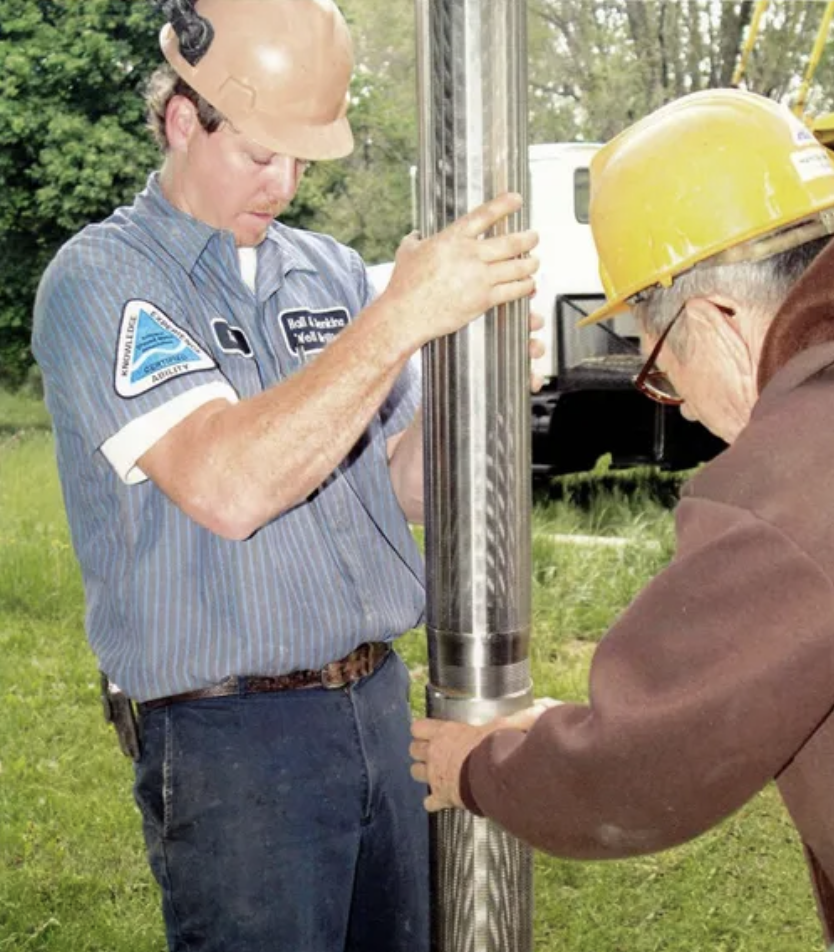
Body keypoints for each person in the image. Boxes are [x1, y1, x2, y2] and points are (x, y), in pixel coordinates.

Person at [30, 0, 539, 949]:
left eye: (303, 159)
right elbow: (230, 487)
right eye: (263, 152)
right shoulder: (104, 280)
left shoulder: (329, 272)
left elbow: (395, 488)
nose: (286, 182)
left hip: (380, 710)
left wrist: (480, 384)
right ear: (185, 119)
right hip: (236, 748)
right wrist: (395, 321)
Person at [410, 86, 834, 947]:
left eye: (660, 360)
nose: (670, 397)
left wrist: (483, 768)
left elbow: (640, 772)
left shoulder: (790, 477)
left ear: (714, 314)